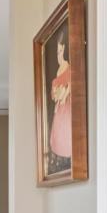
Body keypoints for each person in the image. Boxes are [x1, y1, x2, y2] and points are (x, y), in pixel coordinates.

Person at [49, 33, 72, 162]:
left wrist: (61, 93)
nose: (59, 55)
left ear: (65, 49)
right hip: (59, 113)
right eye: (57, 52)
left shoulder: (69, 71)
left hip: (65, 114)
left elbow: (62, 94)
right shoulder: (58, 72)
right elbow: (55, 95)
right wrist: (58, 93)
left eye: (60, 51)